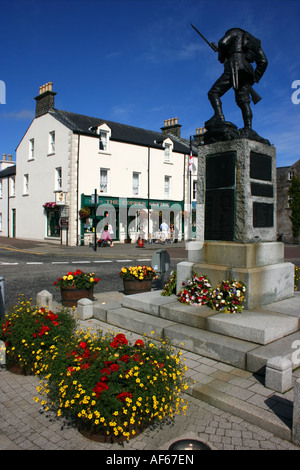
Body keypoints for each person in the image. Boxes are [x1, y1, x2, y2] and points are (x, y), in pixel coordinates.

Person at [207, 28, 268, 129]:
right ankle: (248, 128)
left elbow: (222, 42)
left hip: (234, 65)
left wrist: (222, 54)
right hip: (247, 70)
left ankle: (219, 116)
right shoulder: (253, 41)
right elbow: (264, 61)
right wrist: (254, 78)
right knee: (244, 101)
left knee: (213, 92)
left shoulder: (234, 32)